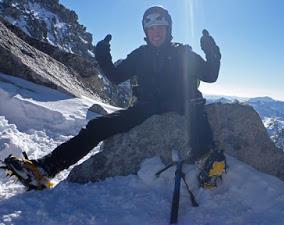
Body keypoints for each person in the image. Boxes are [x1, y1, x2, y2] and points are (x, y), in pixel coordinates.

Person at [1, 6, 225, 190]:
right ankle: (45, 168)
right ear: (146, 32)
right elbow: (116, 77)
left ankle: (208, 160)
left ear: (168, 29)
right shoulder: (140, 54)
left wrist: (212, 53)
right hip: (145, 108)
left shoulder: (182, 53)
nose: (156, 32)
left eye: (160, 28)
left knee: (196, 110)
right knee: (97, 126)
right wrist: (103, 57)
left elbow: (210, 75)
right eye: (151, 29)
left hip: (181, 105)